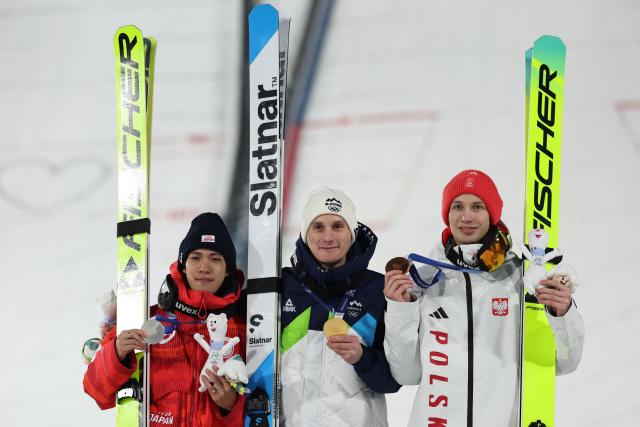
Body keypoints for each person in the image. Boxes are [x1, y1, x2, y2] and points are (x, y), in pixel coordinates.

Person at [383, 170, 584, 427]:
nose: (466, 216)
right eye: (457, 206)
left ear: (492, 214)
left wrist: (563, 313)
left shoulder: (523, 278)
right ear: (447, 215)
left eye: (477, 206)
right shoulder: (425, 279)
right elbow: (406, 373)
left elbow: (565, 361)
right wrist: (401, 309)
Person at [83, 213, 247, 426]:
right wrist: (116, 352)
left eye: (215, 258)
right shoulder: (150, 322)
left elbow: (269, 411)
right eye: (195, 257)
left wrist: (232, 407)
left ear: (227, 270)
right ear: (182, 265)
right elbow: (96, 390)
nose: (204, 267)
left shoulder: (247, 328)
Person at [280, 187, 400, 426]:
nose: (327, 237)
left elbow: (393, 381)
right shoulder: (282, 286)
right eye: (318, 227)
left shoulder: (377, 290)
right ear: (305, 233)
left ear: (352, 232)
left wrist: (363, 358)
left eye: (337, 226)